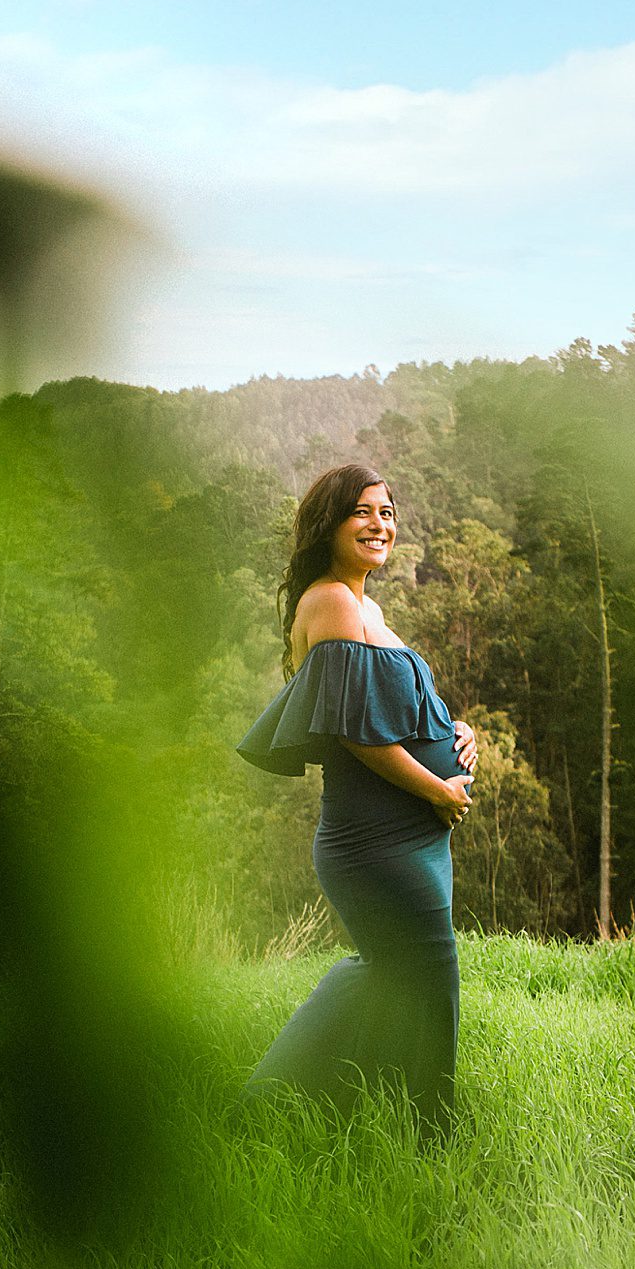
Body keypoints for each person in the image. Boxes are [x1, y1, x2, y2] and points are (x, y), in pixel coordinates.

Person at [236, 463, 478, 1132]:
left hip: (411, 837)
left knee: (379, 972)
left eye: (389, 512)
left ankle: (276, 1109)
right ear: (330, 523)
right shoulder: (334, 601)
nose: (381, 524)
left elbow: (392, 703)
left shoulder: (364, 605)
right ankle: (431, 1134)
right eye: (364, 512)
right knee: (431, 977)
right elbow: (353, 728)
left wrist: (456, 730)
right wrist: (436, 788)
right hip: (376, 841)